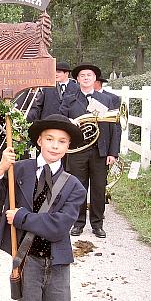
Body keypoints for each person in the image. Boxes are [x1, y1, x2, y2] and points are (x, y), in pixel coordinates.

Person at [0, 114, 87, 301]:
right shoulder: (20, 170)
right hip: (27, 261)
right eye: (49, 139)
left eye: (61, 141)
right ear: (39, 140)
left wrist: (21, 217)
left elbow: (59, 227)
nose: (54, 145)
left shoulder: (74, 186)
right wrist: (2, 168)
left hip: (58, 264)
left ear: (68, 146)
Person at [60, 63, 121, 238]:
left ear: (95, 79)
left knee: (99, 189)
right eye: (83, 76)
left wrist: (112, 152)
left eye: (90, 76)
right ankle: (78, 223)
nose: (86, 78)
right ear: (77, 79)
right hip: (78, 150)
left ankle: (97, 224)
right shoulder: (69, 99)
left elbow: (114, 128)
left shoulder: (107, 100)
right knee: (78, 188)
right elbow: (62, 121)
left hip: (100, 151)